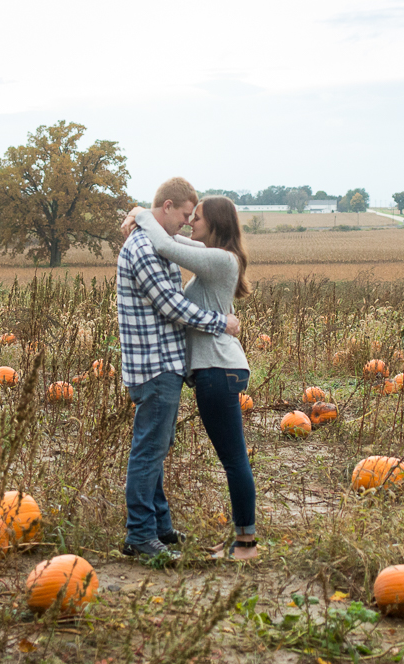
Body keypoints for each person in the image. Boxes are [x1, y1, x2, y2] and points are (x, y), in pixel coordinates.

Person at [124, 193, 258, 560]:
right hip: (215, 370)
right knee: (232, 459)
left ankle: (246, 544)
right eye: (187, 216)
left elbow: (167, 243)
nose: (189, 223)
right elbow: (171, 239)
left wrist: (139, 213)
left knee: (234, 461)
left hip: (218, 369)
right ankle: (238, 537)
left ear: (213, 224)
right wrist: (143, 217)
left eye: (196, 218)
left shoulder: (219, 260)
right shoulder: (213, 259)